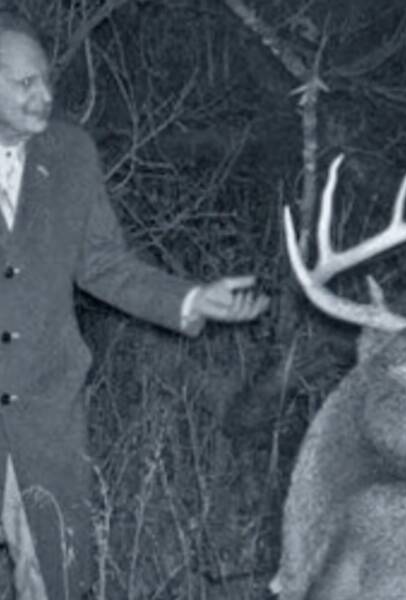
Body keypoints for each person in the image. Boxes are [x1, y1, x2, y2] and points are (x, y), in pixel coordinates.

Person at [0, 11, 269, 598]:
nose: (45, 95)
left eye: (46, 79)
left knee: (56, 577)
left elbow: (102, 264)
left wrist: (191, 297)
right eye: (26, 84)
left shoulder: (70, 154)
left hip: (46, 412)